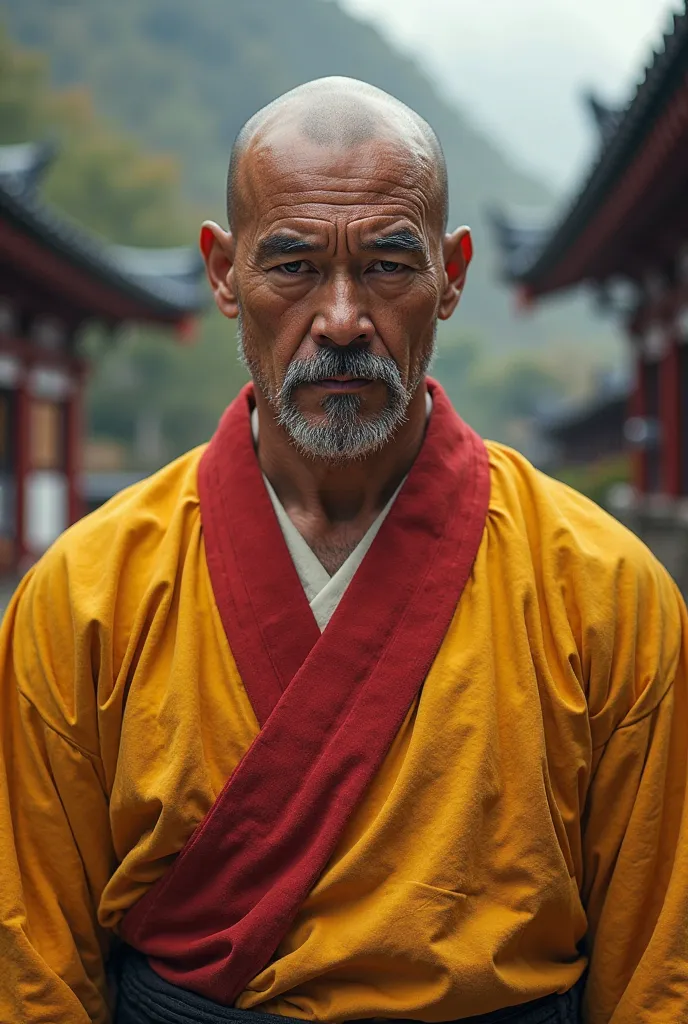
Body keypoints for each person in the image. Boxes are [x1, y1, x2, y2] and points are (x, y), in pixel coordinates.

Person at [0, 77, 686, 1024]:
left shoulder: (606, 591)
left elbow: (659, 964)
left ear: (452, 275)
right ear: (222, 270)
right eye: (291, 266)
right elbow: (31, 957)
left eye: (388, 266)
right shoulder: (87, 593)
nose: (340, 318)